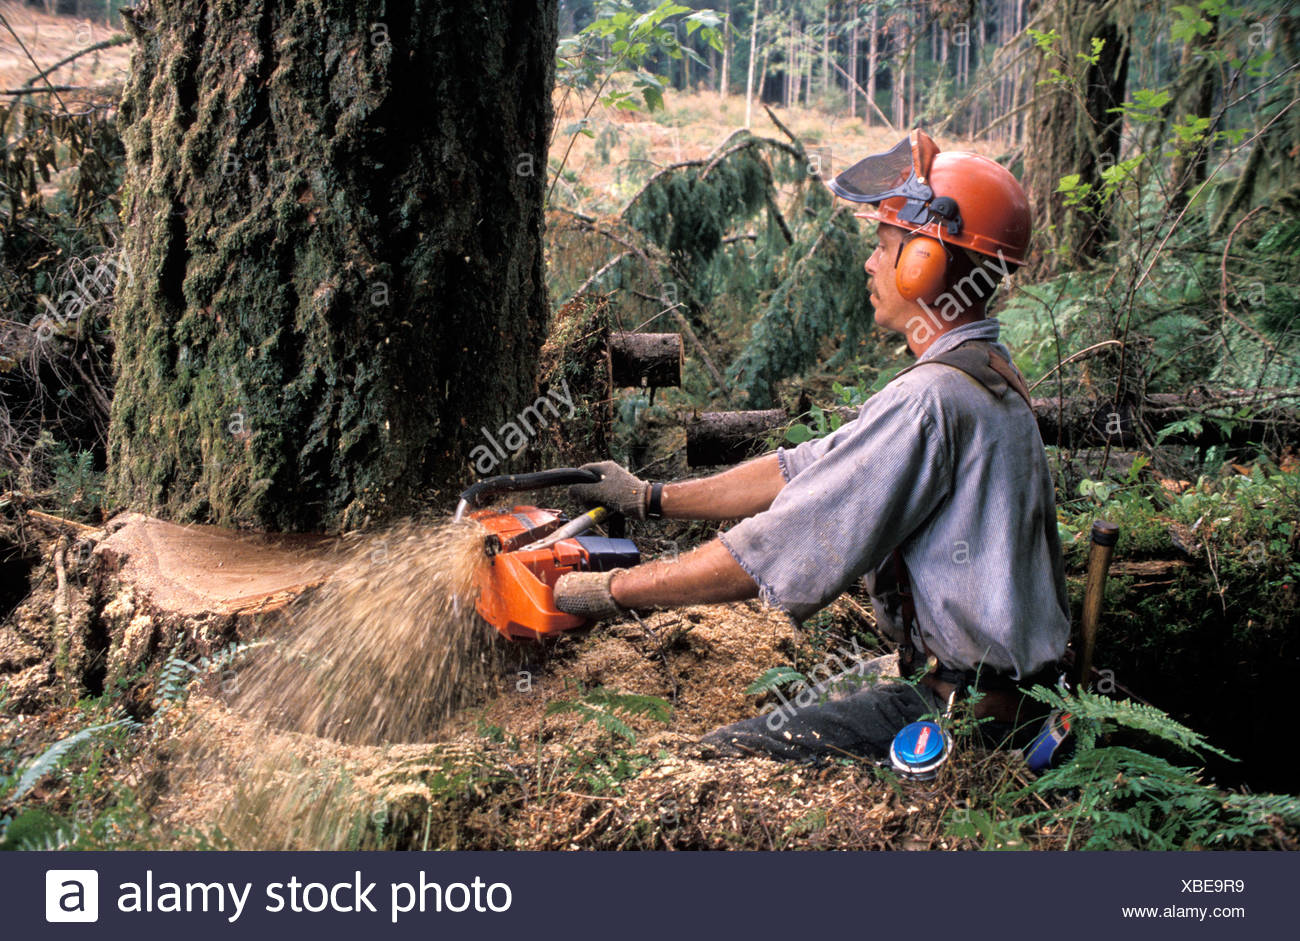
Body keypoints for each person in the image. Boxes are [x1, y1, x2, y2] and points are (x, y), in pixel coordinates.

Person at [553, 130, 1070, 763]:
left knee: (706, 764)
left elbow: (778, 551)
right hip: (992, 687)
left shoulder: (932, 399)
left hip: (963, 710)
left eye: (884, 247)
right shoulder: (981, 369)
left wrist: (615, 593)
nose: (870, 264)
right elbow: (805, 467)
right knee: (786, 709)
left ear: (926, 263)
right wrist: (651, 498)